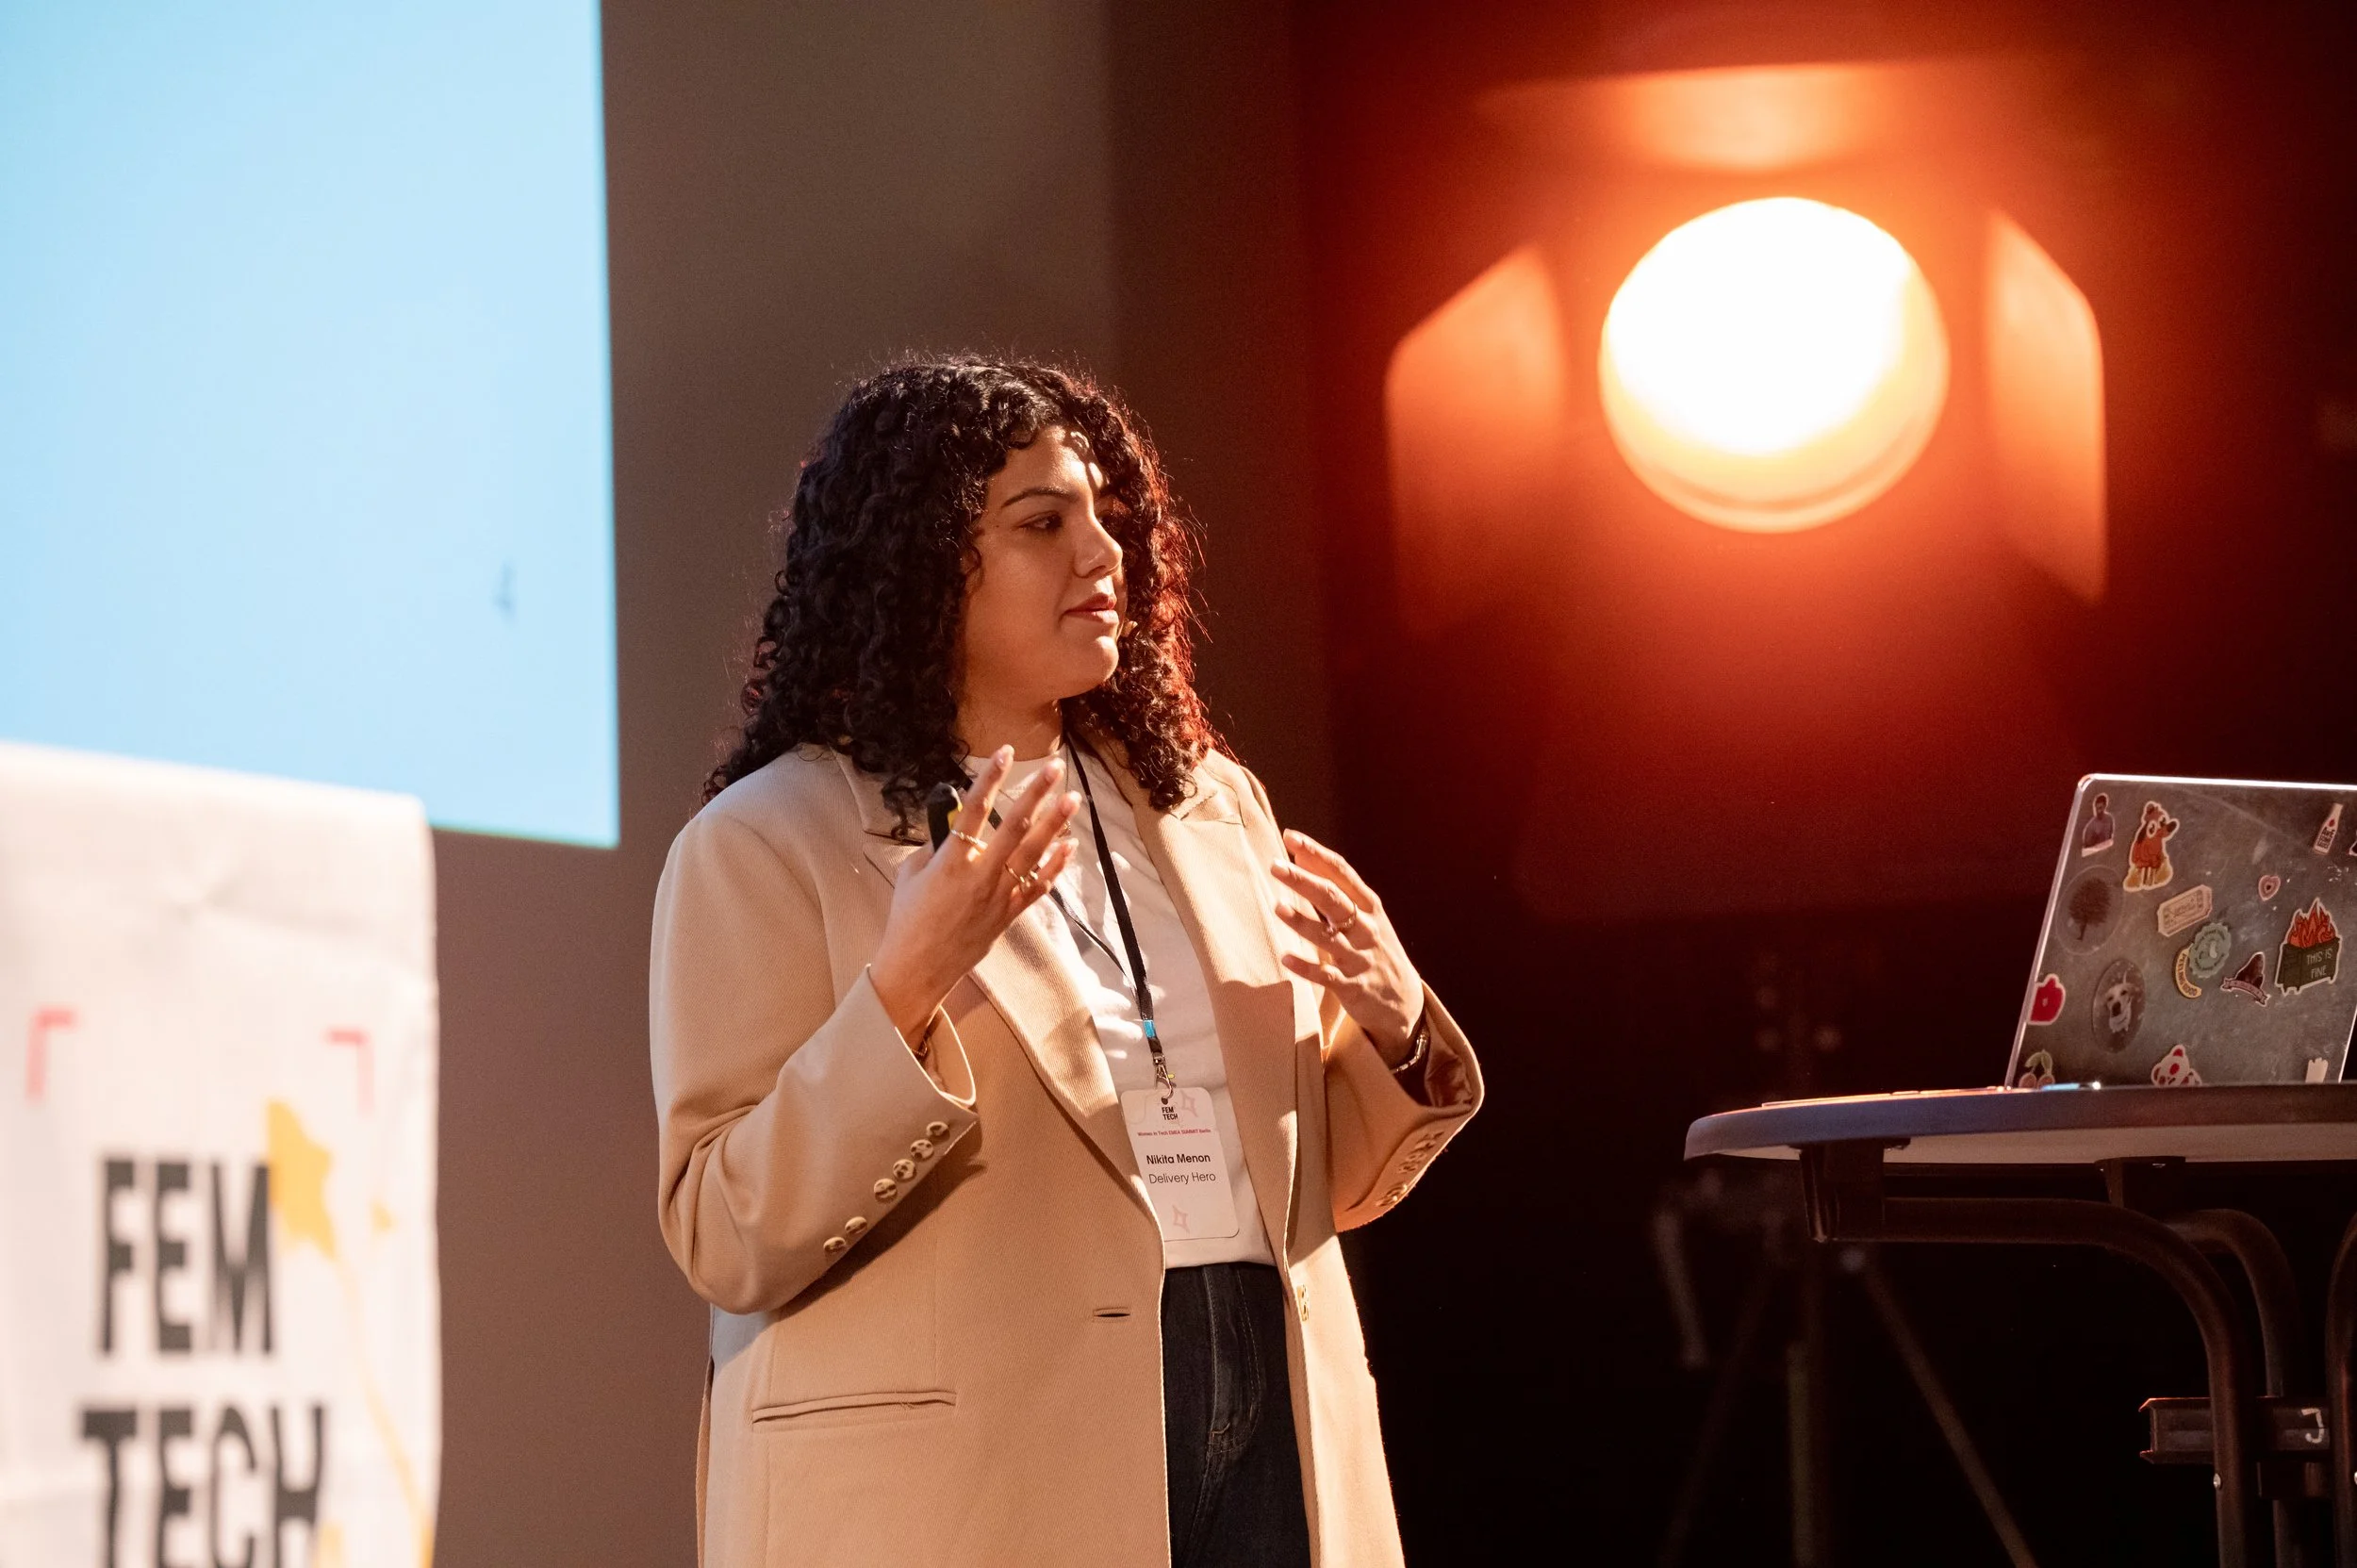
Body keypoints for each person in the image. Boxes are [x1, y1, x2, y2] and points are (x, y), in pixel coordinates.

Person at [649, 357, 1481, 1567]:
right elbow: (725, 1229)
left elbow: (1306, 1190)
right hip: (978, 1473)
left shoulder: (1210, 807)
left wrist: (1394, 1030)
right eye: (1042, 522)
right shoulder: (768, 840)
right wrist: (904, 990)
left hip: (1264, 1382)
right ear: (921, 564)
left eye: (1106, 515)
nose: (1103, 554)